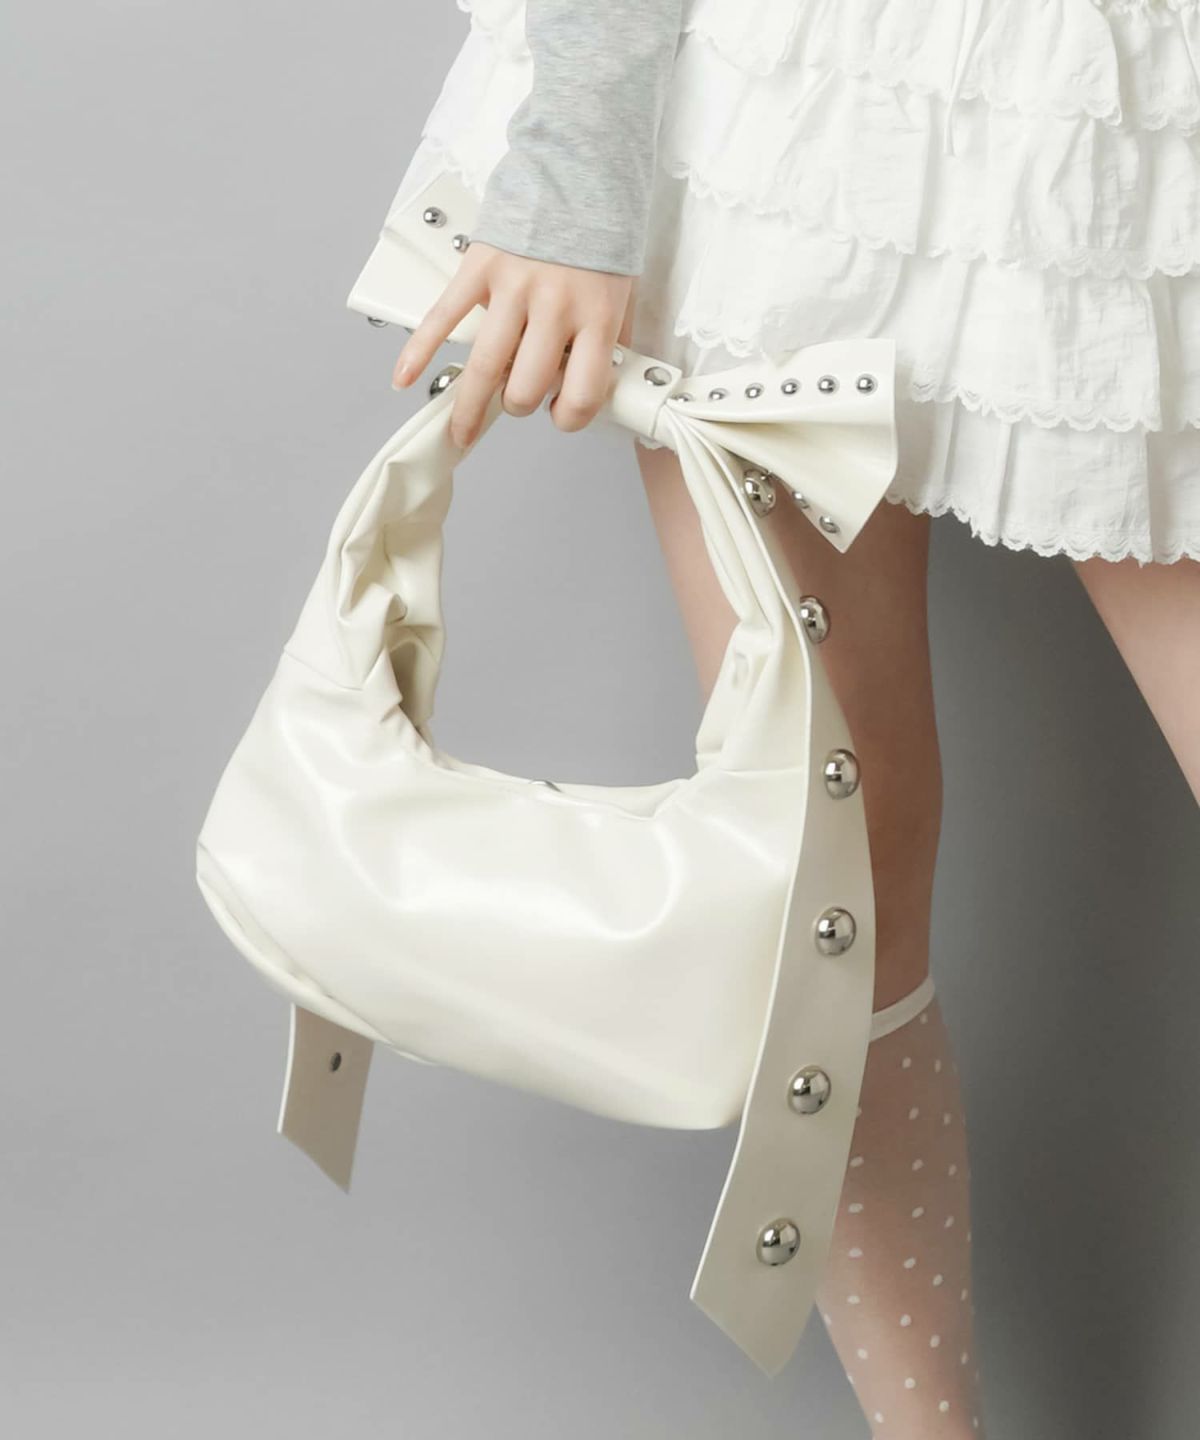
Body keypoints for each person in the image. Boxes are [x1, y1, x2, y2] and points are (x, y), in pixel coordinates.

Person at [387, 2, 1200, 1433]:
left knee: (837, 862)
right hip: (785, 105)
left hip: (1105, 92)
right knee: (836, 875)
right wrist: (578, 159)